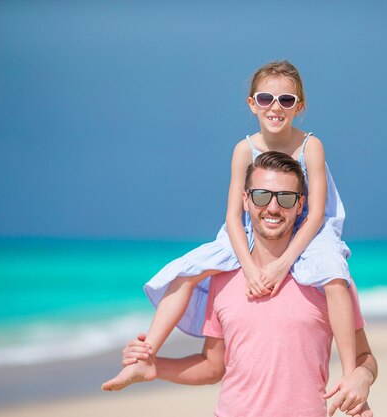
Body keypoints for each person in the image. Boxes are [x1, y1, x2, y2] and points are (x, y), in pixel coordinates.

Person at [102, 60, 358, 393]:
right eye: (266, 99)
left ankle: (350, 372)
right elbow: (232, 217)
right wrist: (250, 268)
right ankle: (144, 355)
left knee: (336, 276)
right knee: (188, 270)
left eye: (286, 100)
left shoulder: (311, 145)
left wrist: (282, 265)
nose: (275, 107)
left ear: (300, 107)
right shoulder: (243, 149)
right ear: (253, 104)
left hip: (309, 226)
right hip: (253, 229)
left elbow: (317, 212)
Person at [110, 152, 378, 417]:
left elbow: (364, 357)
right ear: (246, 201)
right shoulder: (223, 278)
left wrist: (362, 377)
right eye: (262, 196)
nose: (273, 208)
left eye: (286, 198)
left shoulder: (328, 279)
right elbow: (213, 367)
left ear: (300, 205)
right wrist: (153, 366)